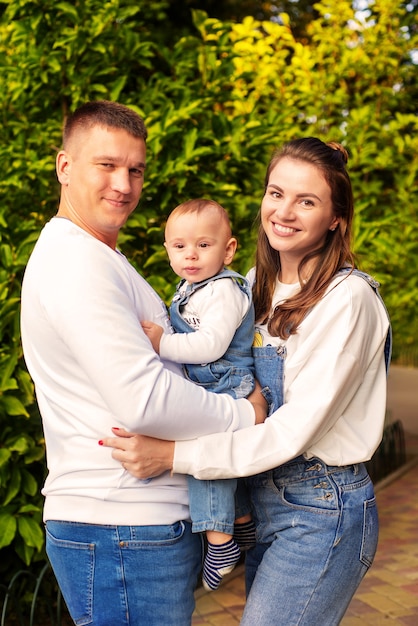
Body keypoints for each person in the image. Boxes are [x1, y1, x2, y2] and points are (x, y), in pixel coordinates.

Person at [102, 137, 392, 626]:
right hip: (262, 499)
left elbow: (290, 431)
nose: (284, 212)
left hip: (321, 509)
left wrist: (175, 456)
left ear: (336, 217)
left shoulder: (348, 299)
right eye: (276, 193)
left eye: (307, 201)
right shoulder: (253, 285)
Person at [19, 100, 265, 626]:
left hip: (132, 529)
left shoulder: (100, 256)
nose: (124, 185)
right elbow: (145, 399)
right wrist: (246, 417)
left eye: (135, 169)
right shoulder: (74, 260)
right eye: (106, 165)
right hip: (119, 527)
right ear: (65, 167)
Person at [141, 198, 262, 591]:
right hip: (210, 383)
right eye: (179, 246)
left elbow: (210, 345)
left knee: (205, 460)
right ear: (168, 250)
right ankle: (241, 522)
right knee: (224, 465)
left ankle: (219, 540)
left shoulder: (224, 291)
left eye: (203, 245)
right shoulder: (192, 288)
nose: (190, 254)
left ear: (228, 250)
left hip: (225, 382)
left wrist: (163, 345)